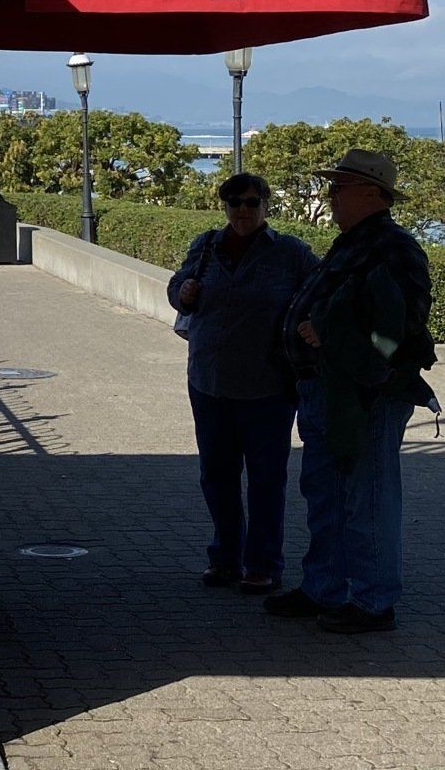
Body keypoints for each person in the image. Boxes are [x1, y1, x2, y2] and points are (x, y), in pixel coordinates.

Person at [265, 149, 436, 634]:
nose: (331, 196)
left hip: (367, 396)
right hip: (328, 390)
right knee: (327, 494)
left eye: (338, 187)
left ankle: (374, 602)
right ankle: (324, 588)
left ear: (370, 194)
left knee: (369, 497)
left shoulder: (393, 247)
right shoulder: (353, 243)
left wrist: (336, 333)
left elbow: (400, 327)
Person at [168, 173, 318, 595]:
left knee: (267, 479)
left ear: (267, 205)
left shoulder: (290, 253)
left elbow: (323, 292)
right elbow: (176, 287)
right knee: (216, 475)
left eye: (252, 202)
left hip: (267, 388)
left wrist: (315, 326)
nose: (243, 210)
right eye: (234, 202)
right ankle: (225, 558)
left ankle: (263, 564)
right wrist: (185, 293)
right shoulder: (206, 245)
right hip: (208, 381)